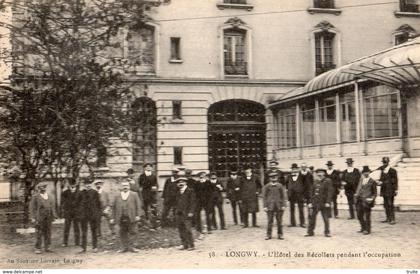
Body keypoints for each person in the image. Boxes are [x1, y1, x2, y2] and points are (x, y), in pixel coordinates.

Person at [110, 181, 141, 253]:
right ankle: (124, 247)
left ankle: (133, 247)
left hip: (131, 216)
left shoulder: (134, 194)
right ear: (121, 187)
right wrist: (112, 217)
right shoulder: (117, 195)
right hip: (121, 216)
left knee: (133, 231)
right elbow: (113, 207)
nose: (125, 187)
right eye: (123, 185)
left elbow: (138, 205)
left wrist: (138, 215)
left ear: (129, 186)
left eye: (126, 185)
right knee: (122, 232)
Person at [306, 168, 334, 237]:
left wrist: (328, 202)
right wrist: (310, 202)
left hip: (324, 203)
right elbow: (311, 192)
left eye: (321, 172)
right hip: (315, 203)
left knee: (326, 218)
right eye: (318, 173)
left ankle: (327, 232)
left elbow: (330, 192)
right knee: (312, 218)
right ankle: (310, 232)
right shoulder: (315, 181)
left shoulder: (328, 181)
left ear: (324, 173)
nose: (319, 174)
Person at [30, 182, 57, 254]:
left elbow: (52, 207)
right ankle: (38, 248)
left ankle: (47, 247)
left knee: (48, 232)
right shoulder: (35, 197)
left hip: (48, 217)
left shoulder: (50, 196)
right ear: (38, 189)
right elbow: (32, 208)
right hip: (39, 217)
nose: (43, 189)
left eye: (44, 187)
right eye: (41, 188)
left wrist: (54, 215)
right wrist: (33, 217)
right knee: (39, 232)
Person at [263, 171, 287, 240]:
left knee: (279, 221)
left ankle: (280, 234)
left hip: (279, 206)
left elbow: (283, 196)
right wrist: (265, 206)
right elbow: (264, 196)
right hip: (270, 206)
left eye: (275, 177)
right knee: (270, 221)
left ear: (277, 178)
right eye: (272, 177)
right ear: (270, 178)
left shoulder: (280, 186)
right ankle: (268, 234)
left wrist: (283, 205)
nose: (273, 178)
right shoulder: (267, 186)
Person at [78, 179, 101, 253]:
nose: (88, 185)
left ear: (91, 184)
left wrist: (97, 214)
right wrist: (80, 213)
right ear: (84, 185)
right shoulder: (81, 193)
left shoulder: (95, 193)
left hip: (93, 215)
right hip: (84, 215)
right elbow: (78, 204)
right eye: (86, 184)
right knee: (84, 231)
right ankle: (83, 248)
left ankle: (95, 247)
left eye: (89, 184)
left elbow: (98, 205)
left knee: (94, 231)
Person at [175, 174, 196, 251]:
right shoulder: (178, 192)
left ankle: (191, 245)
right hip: (179, 213)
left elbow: (193, 203)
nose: (180, 183)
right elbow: (176, 202)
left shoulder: (190, 191)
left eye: (182, 182)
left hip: (187, 213)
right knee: (181, 229)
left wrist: (191, 212)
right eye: (179, 182)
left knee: (188, 229)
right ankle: (184, 244)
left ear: (186, 183)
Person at [355, 166, 377, 235]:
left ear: (369, 172)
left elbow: (375, 193)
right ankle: (363, 227)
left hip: (367, 201)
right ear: (363, 173)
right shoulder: (361, 180)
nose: (366, 173)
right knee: (359, 215)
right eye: (364, 172)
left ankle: (368, 229)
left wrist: (372, 198)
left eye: (367, 172)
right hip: (359, 200)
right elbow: (358, 189)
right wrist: (356, 195)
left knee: (367, 215)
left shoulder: (372, 181)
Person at [377, 157, 398, 225]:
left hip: (390, 190)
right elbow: (380, 178)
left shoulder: (393, 171)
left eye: (385, 162)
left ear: (388, 162)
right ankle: (388, 218)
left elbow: (395, 181)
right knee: (385, 205)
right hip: (384, 190)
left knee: (390, 204)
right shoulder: (382, 170)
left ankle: (392, 219)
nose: (384, 164)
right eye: (383, 162)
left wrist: (396, 189)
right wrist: (379, 182)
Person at [61, 179, 81, 247]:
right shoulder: (65, 193)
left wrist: (79, 211)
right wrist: (64, 210)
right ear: (69, 185)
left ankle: (77, 242)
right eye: (71, 184)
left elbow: (81, 203)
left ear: (76, 184)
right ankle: (65, 242)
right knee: (67, 227)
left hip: (76, 213)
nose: (72, 186)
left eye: (73, 184)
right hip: (68, 213)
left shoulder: (79, 193)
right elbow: (62, 203)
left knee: (76, 227)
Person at [287, 163, 307, 228]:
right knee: (292, 209)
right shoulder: (289, 176)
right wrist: (288, 193)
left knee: (301, 209)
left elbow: (305, 185)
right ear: (291, 170)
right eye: (293, 169)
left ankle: (302, 223)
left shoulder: (302, 176)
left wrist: (303, 194)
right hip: (291, 195)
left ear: (298, 169)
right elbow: (287, 185)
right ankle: (292, 223)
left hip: (299, 194)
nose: (294, 170)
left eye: (295, 169)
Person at [193, 171, 212, 237]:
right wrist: (196, 200)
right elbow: (195, 192)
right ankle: (199, 228)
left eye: (203, 176)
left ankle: (209, 228)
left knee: (208, 214)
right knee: (197, 214)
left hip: (206, 200)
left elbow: (210, 191)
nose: (202, 177)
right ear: (199, 177)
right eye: (201, 176)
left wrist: (209, 200)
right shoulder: (196, 183)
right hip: (199, 201)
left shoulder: (208, 182)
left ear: (205, 176)